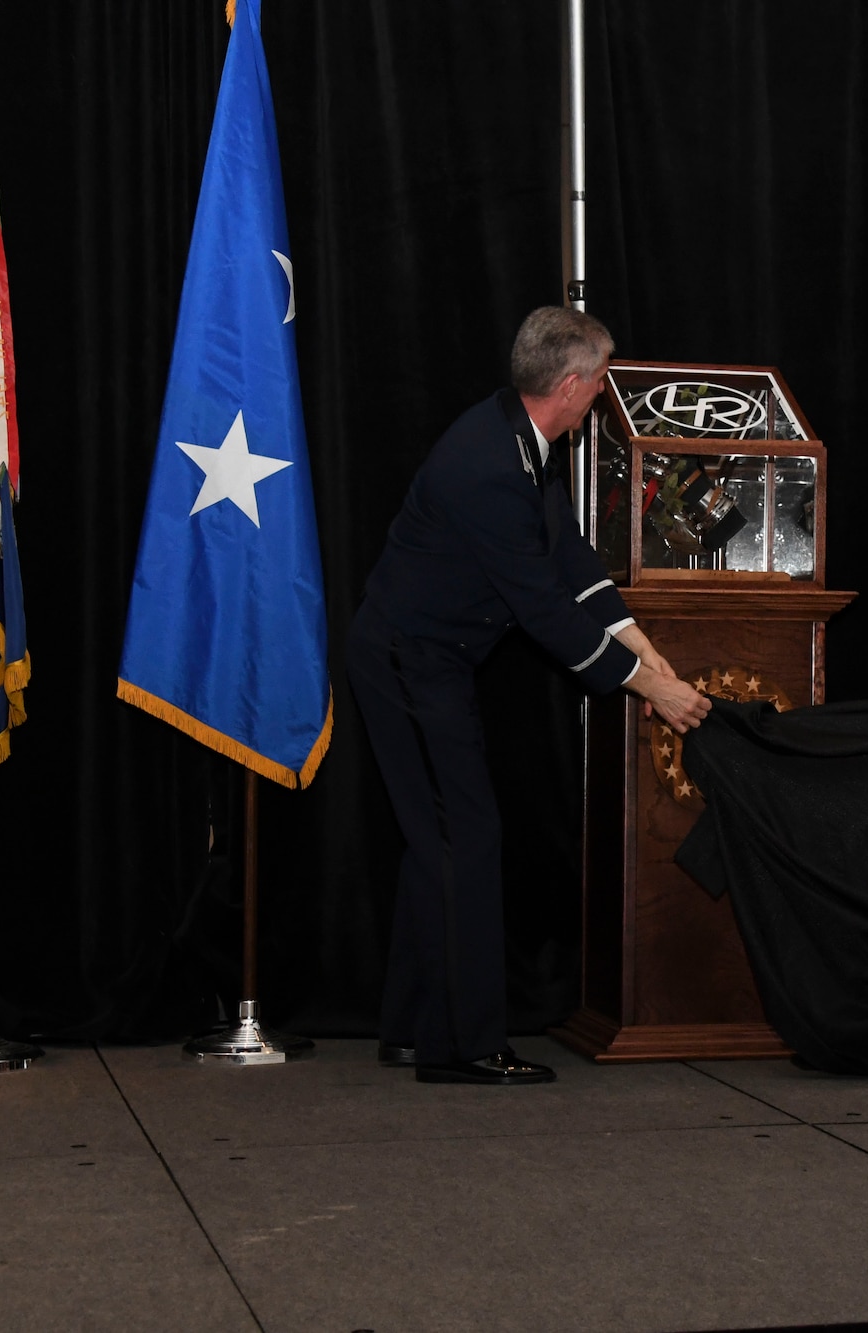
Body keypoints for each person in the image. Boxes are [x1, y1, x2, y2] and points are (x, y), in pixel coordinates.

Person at [350, 306, 710, 1085]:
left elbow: (568, 554)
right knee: (464, 837)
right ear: (573, 384)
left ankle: (417, 1025)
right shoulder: (485, 463)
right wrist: (653, 687)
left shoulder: (522, 437)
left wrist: (642, 642)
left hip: (430, 659)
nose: (602, 395)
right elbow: (543, 608)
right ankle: (463, 1045)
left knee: (440, 840)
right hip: (407, 662)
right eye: (602, 380)